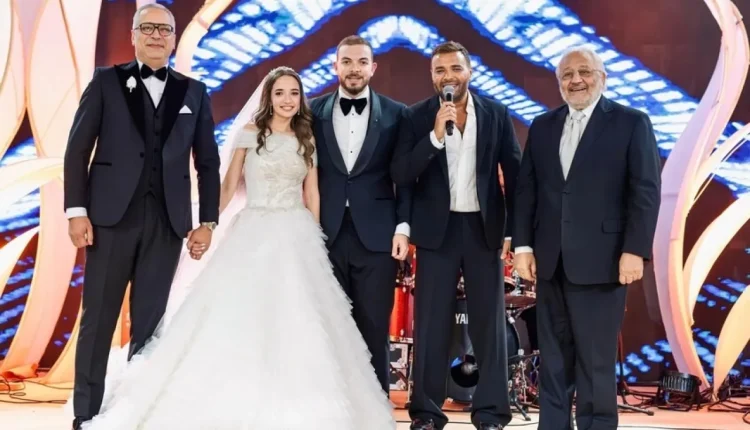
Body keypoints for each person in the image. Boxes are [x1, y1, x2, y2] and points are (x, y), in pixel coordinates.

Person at [74, 66, 397, 430]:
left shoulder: (307, 137)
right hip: (253, 231)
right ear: (268, 97)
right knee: (236, 314)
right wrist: (208, 223)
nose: (287, 100)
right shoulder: (249, 134)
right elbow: (227, 186)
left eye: (294, 93)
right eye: (280, 93)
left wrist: (318, 238)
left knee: (302, 320)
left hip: (297, 236)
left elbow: (313, 192)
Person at [63, 4, 220, 428]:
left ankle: (136, 414)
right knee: (98, 320)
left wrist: (207, 221)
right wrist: (76, 211)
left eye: (164, 30)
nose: (156, 36)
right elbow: (77, 150)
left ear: (173, 38)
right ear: (133, 35)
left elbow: (207, 162)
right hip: (109, 220)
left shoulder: (194, 91)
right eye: (147, 28)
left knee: (150, 324)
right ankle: (86, 415)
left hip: (167, 222)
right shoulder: (105, 82)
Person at [513, 46, 661, 430]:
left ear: (602, 78)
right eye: (567, 74)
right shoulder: (543, 125)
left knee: (595, 362)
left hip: (604, 261)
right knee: (553, 361)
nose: (576, 80)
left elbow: (645, 191)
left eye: (584, 72)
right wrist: (523, 246)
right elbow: (527, 191)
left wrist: (635, 249)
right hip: (550, 263)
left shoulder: (631, 123)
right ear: (558, 82)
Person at [391, 41, 522, 430]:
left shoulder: (496, 114)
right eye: (440, 70)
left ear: (469, 71)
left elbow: (515, 176)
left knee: (489, 326)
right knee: (431, 325)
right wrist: (434, 137)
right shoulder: (416, 117)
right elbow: (402, 174)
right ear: (432, 76)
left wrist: (514, 233)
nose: (447, 76)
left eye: (454, 68)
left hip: (484, 230)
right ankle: (427, 413)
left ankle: (491, 413)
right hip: (437, 231)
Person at [309, 35, 411, 394]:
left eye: (362, 62)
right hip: (325, 234)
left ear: (373, 68)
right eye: (347, 61)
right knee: (327, 327)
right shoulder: (311, 111)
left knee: (374, 327)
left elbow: (405, 177)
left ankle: (376, 408)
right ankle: (331, 407)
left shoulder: (398, 114)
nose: (354, 69)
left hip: (378, 237)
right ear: (335, 66)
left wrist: (402, 227)